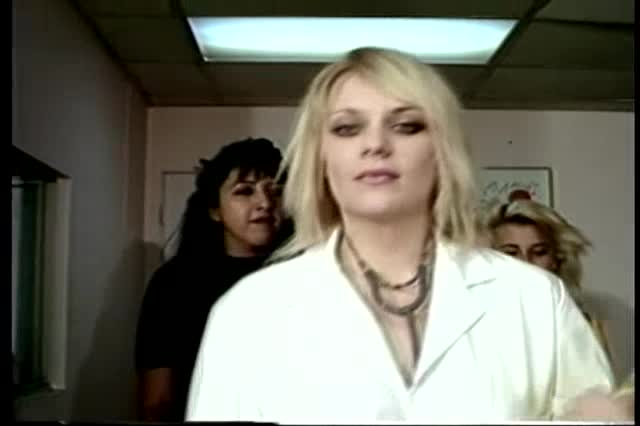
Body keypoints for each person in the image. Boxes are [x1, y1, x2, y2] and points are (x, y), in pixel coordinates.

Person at [186, 47, 614, 423]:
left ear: (443, 150)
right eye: (347, 128)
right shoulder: (249, 313)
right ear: (320, 157)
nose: (376, 144)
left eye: (407, 126)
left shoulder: (533, 299)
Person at [135, 137, 289, 421]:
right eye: (245, 191)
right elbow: (157, 399)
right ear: (215, 209)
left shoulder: (307, 279)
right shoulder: (174, 283)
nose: (265, 203)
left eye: (275, 191)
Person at [483, 197, 612, 358]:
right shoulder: (471, 325)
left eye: (539, 252)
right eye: (510, 253)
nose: (525, 263)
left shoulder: (582, 326)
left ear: (557, 259)